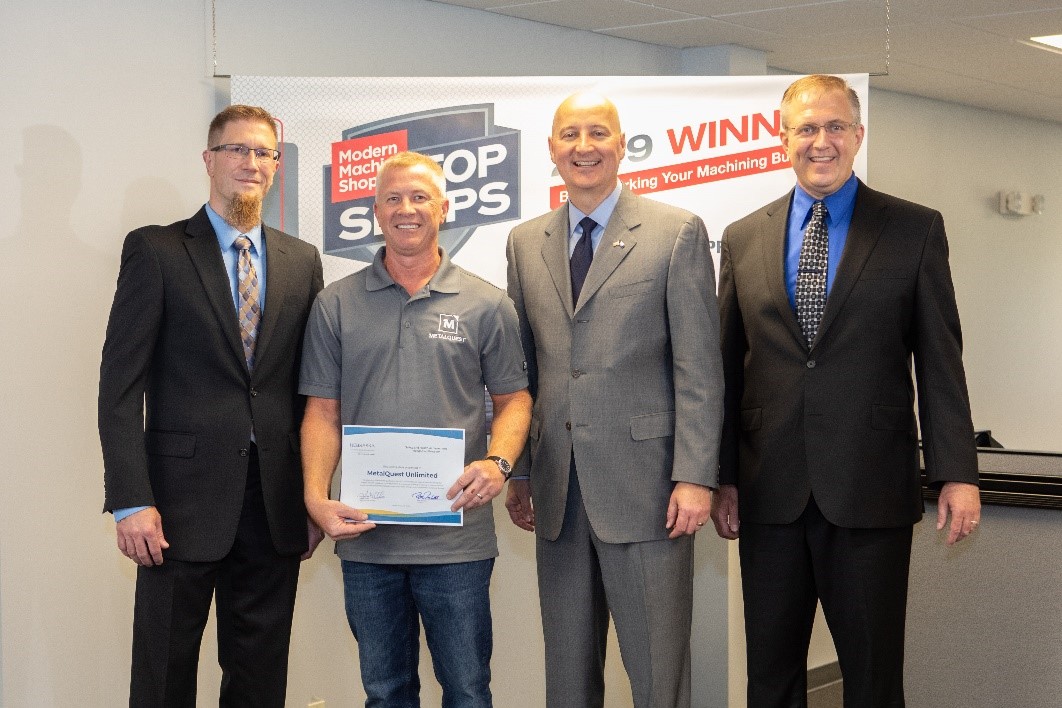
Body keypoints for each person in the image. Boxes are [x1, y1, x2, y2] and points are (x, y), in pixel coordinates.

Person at [711, 74, 981, 707]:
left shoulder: (914, 230)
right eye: (806, 128)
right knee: (771, 679)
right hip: (768, 495)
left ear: (858, 136)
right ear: (783, 140)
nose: (821, 141)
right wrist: (722, 476)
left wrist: (957, 473)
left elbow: (941, 363)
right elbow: (726, 367)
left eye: (835, 126)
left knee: (872, 679)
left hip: (870, 493)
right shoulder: (744, 235)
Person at [99, 104, 325, 706]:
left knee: (259, 677)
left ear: (276, 166)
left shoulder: (303, 262)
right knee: (163, 674)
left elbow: (312, 392)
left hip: (274, 507)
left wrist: (314, 492)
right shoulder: (157, 251)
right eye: (237, 150)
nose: (251, 163)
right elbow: (119, 387)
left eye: (264, 153)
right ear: (209, 160)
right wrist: (129, 500)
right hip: (173, 509)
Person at [504, 92, 723, 708]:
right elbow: (523, 371)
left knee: (657, 675)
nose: (583, 146)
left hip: (650, 491)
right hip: (558, 492)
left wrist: (695, 476)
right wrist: (519, 469)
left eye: (598, 132)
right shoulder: (526, 242)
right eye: (569, 135)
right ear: (551, 151)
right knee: (568, 678)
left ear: (622, 146)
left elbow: (699, 370)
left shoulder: (675, 232)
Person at [299, 151, 532, 707]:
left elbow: (515, 400)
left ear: (444, 208)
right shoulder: (335, 305)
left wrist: (498, 464)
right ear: (375, 211)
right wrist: (314, 498)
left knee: (469, 691)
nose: (407, 209)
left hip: (457, 543)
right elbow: (322, 413)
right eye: (394, 199)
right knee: (385, 693)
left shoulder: (487, 303)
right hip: (367, 541)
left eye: (420, 197)